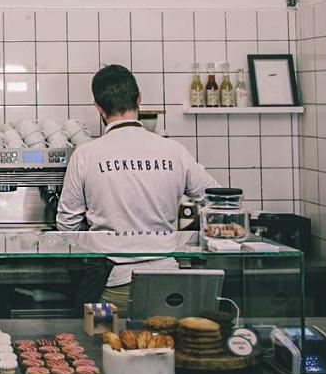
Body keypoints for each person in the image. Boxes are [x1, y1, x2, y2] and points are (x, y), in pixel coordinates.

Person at [56, 64, 217, 310]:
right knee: (162, 346)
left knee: (107, 346)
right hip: (168, 283)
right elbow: (217, 203)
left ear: (98, 108)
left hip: (111, 288)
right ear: (139, 98)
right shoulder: (173, 150)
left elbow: (66, 226)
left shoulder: (85, 155)